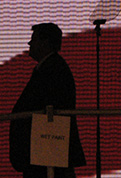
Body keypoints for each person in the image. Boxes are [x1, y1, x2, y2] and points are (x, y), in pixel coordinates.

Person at [10, 23, 86, 178]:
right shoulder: (52, 67)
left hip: (47, 151)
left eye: (33, 39)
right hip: (45, 153)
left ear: (44, 43)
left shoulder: (53, 69)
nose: (29, 43)